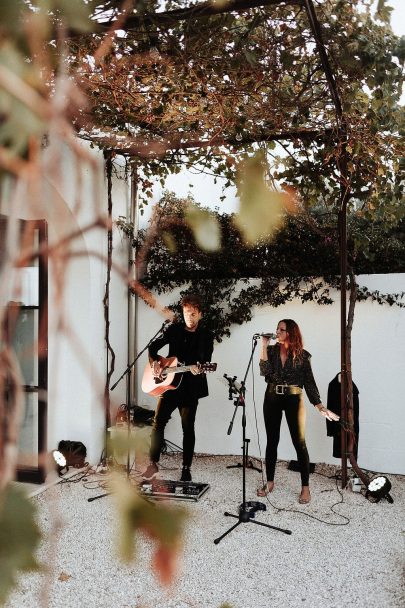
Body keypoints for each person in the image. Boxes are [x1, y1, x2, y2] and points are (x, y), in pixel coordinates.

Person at [257, 319, 339, 504]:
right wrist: (263, 345)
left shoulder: (303, 356)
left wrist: (319, 406)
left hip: (294, 399)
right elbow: (264, 372)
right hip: (272, 398)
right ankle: (269, 482)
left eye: (281, 329)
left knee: (299, 443)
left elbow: (309, 382)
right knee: (272, 440)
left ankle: (305, 487)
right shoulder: (270, 351)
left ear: (291, 333)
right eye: (277, 328)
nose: (277, 332)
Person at [141, 294, 214, 482]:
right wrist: (156, 363)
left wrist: (200, 369)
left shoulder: (206, 336)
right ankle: (152, 463)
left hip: (190, 388)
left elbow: (206, 361)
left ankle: (186, 467)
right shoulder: (174, 331)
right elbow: (153, 348)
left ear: (200, 314)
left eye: (193, 313)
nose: (189, 317)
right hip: (169, 386)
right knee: (158, 423)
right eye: (186, 313)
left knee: (188, 428)